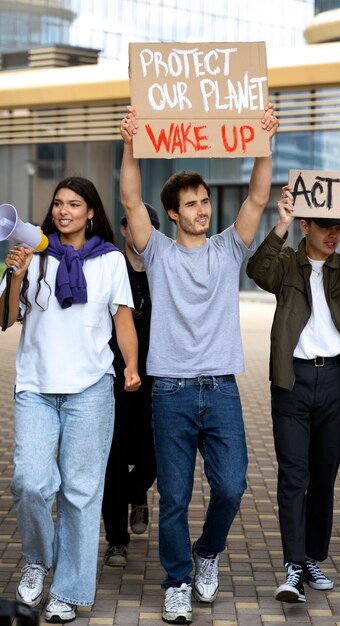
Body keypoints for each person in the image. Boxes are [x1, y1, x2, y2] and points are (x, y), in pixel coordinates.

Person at [119, 103, 278, 624]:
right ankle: (177, 581)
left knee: (232, 486)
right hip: (171, 392)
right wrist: (130, 142)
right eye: (192, 204)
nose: (202, 210)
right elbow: (128, 197)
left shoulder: (229, 249)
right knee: (174, 497)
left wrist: (264, 140)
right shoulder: (160, 252)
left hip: (222, 388)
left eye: (206, 202)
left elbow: (257, 196)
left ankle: (207, 551)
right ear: (172, 212)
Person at [246, 184, 340, 604]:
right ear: (306, 224)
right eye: (326, 226)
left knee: (324, 478)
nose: (334, 234)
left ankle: (313, 556)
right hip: (292, 381)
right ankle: (293, 566)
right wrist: (279, 225)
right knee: (294, 476)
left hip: (335, 382)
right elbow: (257, 272)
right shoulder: (287, 266)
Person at [0, 177, 141, 623]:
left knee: (81, 493)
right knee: (30, 482)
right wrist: (16, 274)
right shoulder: (33, 255)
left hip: (91, 389)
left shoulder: (110, 260)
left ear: (90, 212)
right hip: (37, 388)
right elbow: (5, 320)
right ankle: (39, 561)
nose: (64, 211)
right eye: (58, 204)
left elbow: (123, 319)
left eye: (74, 205)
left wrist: (132, 367)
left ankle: (69, 589)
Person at [102, 208, 159, 567]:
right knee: (113, 459)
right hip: (111, 376)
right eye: (135, 225)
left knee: (154, 457)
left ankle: (138, 491)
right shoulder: (109, 266)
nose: (140, 232)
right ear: (124, 228)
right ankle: (116, 541)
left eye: (148, 227)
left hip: (157, 377)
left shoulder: (161, 270)